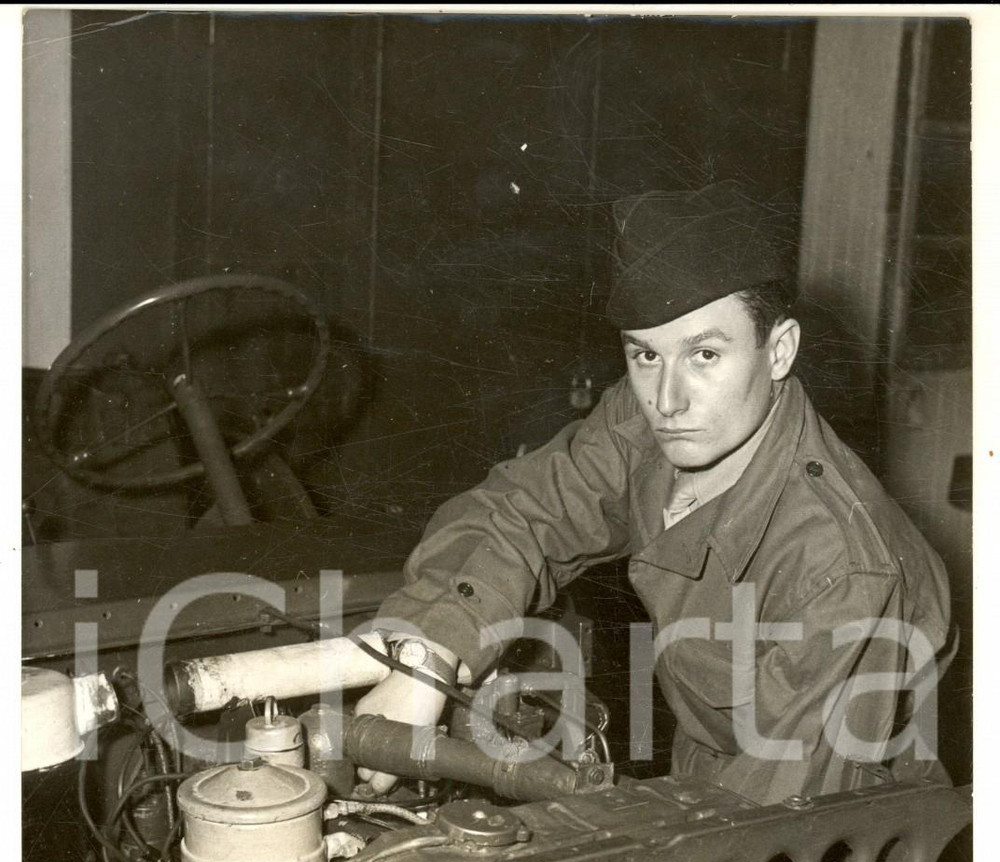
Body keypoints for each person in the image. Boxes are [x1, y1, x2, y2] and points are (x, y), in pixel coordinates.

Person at [355, 181, 950, 806]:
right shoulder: (649, 426)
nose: (666, 401)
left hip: (829, 835)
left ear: (779, 351)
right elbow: (519, 510)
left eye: (705, 355)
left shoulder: (838, 563)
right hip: (706, 771)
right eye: (645, 355)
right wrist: (431, 653)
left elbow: (775, 826)